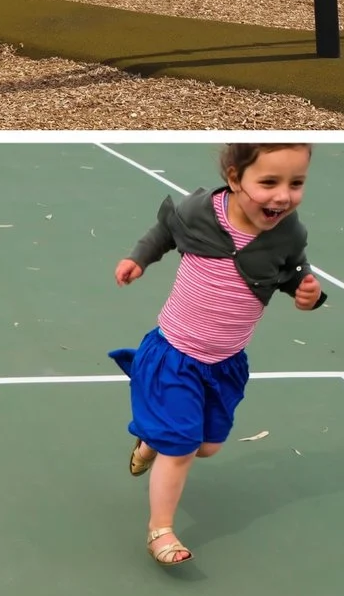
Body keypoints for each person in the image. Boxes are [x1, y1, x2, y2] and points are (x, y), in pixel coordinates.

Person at [112, 144, 325, 565]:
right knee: (182, 447)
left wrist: (309, 295)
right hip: (175, 356)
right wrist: (140, 258)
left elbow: (293, 271)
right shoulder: (201, 213)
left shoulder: (288, 233)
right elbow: (165, 230)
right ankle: (160, 530)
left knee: (207, 447)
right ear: (234, 178)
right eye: (269, 182)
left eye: (296, 183)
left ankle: (151, 439)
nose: (283, 196)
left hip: (226, 364)